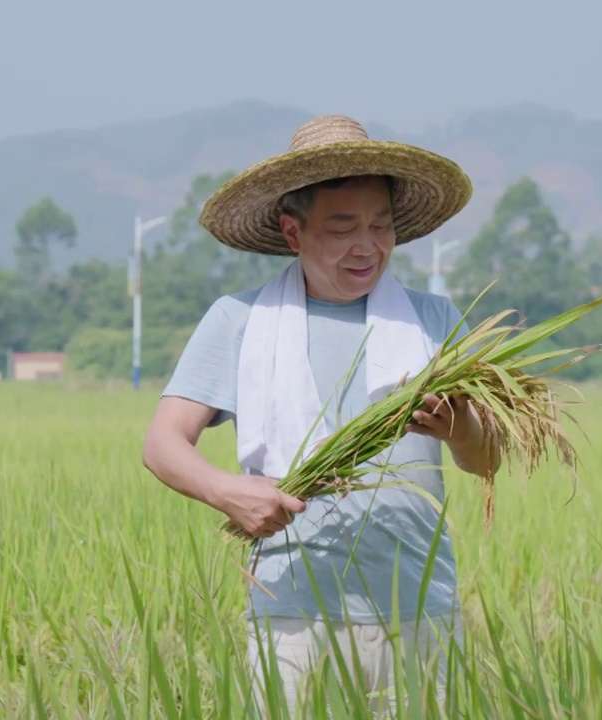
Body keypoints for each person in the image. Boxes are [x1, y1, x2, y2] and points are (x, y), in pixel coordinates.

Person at [141, 114, 501, 714]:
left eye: (381, 226)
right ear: (292, 232)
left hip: (417, 608)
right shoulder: (240, 321)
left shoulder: (433, 321)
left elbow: (486, 456)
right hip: (288, 612)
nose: (368, 245)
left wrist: (460, 429)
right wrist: (229, 492)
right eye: (343, 227)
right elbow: (162, 445)